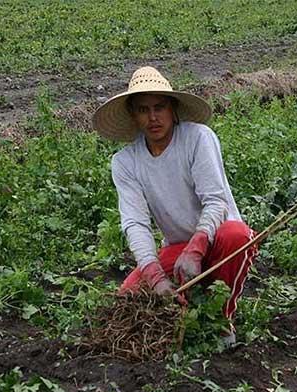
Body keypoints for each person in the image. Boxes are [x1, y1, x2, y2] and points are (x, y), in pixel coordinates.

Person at [92, 66, 257, 345]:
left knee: (237, 236)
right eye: (143, 110)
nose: (153, 117)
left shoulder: (197, 138)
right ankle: (186, 308)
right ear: (134, 115)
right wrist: (154, 276)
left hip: (216, 238)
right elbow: (135, 223)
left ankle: (219, 322)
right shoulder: (125, 162)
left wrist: (197, 248)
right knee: (129, 297)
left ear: (173, 109)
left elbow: (216, 201)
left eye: (159, 107)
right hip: (176, 247)